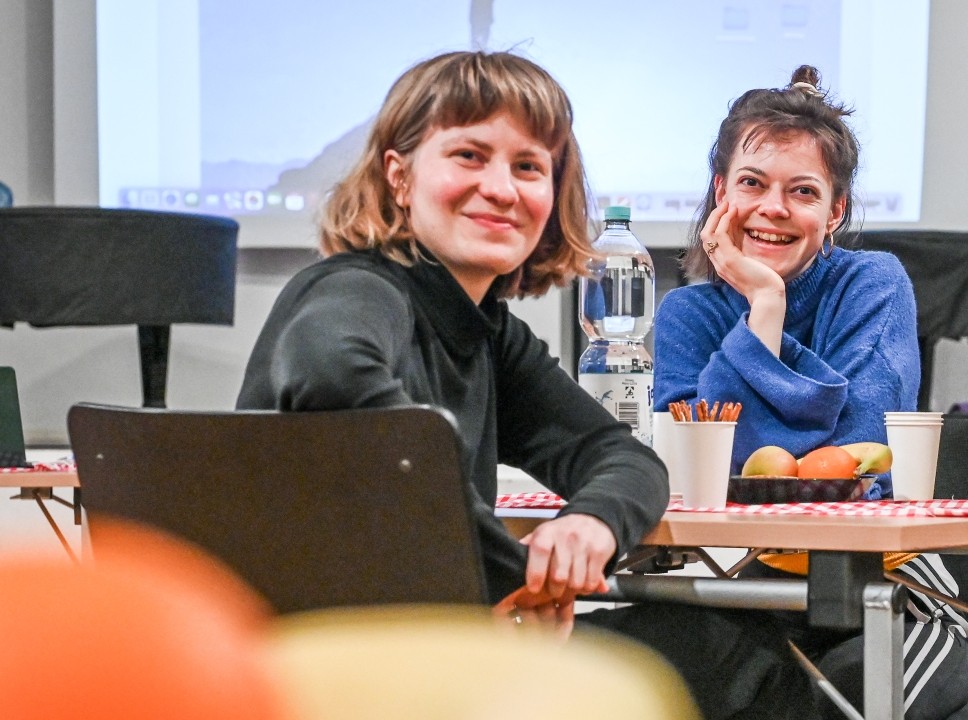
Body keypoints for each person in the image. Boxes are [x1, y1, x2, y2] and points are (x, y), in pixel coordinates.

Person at [237, 51, 667, 635]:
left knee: (727, 649)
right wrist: (512, 581)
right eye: (469, 155)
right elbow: (330, 375)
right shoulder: (356, 287)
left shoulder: (488, 333)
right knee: (735, 663)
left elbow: (624, 457)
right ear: (399, 176)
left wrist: (590, 524)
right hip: (333, 675)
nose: (500, 189)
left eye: (528, 167)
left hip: (433, 651)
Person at [642, 65, 968, 720]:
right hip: (741, 593)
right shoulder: (684, 314)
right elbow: (706, 473)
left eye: (802, 191)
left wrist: (762, 325)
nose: (773, 208)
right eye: (752, 184)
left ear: (836, 211)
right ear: (720, 194)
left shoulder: (874, 283)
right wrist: (763, 310)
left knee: (838, 716)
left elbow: (855, 464)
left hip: (887, 592)